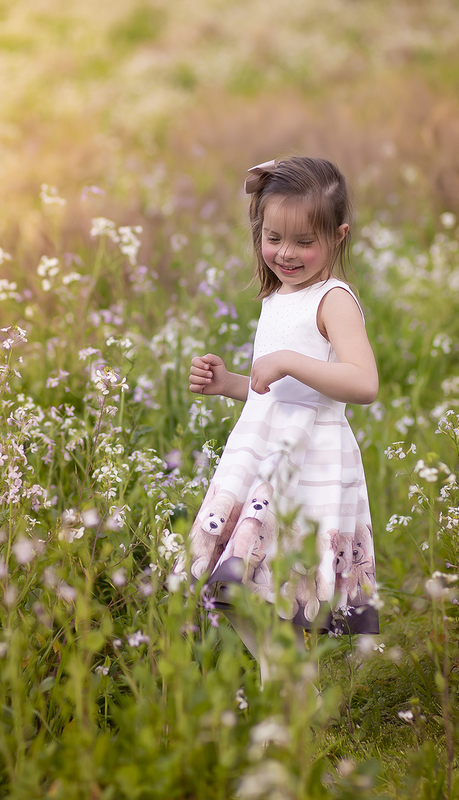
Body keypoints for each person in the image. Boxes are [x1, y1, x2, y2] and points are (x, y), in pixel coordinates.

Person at [183, 156, 380, 686]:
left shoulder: (333, 300)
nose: (286, 254)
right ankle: (288, 688)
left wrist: (292, 361)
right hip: (264, 457)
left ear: (337, 238)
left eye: (304, 242)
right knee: (238, 586)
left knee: (269, 585)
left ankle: (292, 700)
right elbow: (275, 393)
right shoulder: (277, 297)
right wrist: (230, 384)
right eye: (274, 238)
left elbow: (364, 383)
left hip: (307, 464)